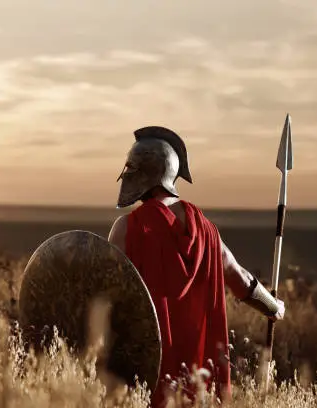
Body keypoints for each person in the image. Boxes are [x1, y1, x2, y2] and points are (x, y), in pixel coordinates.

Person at [107, 126, 285, 406]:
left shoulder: (129, 228)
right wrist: (273, 307)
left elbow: (106, 296)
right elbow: (240, 277)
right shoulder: (208, 231)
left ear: (145, 174)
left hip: (149, 377)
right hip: (200, 377)